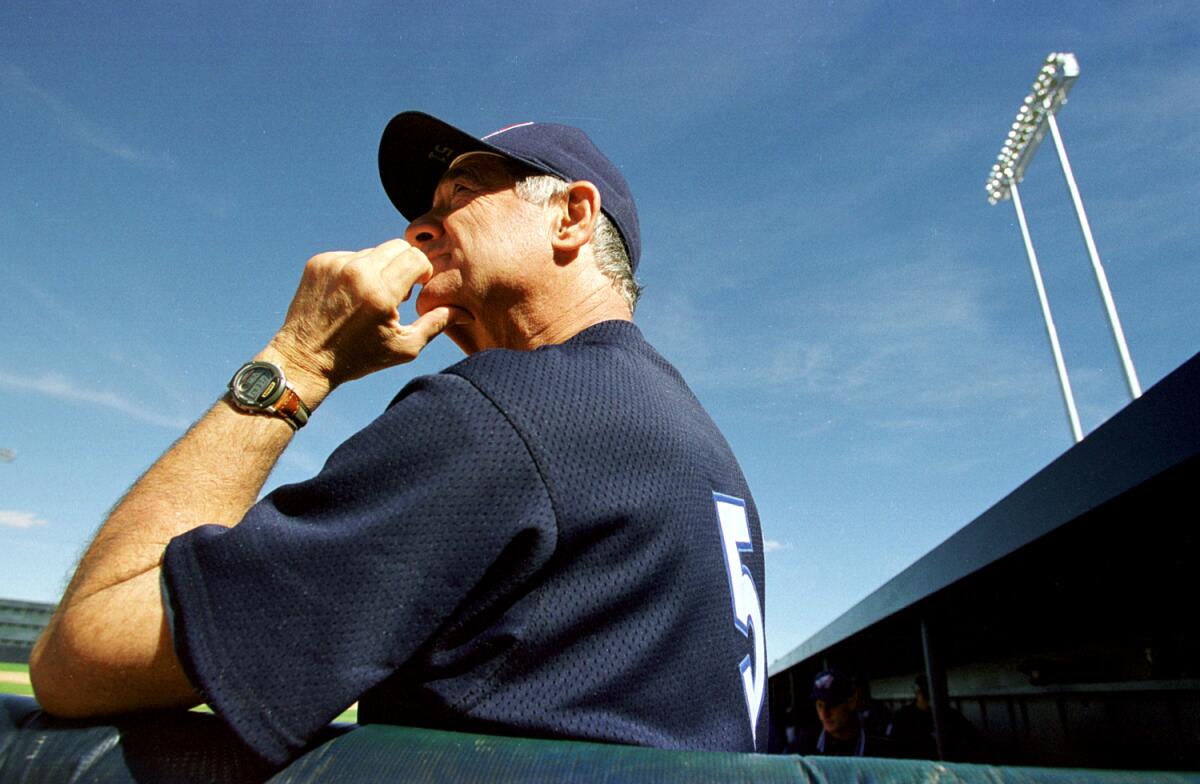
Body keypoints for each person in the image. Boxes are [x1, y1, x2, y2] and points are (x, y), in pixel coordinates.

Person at [28, 111, 768, 767]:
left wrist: (298, 359)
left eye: (461, 196)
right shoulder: (694, 437)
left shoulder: (511, 413)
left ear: (571, 217)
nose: (419, 228)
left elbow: (80, 655)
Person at [798, 669, 899, 757]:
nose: (824, 714)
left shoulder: (880, 749)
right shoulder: (803, 746)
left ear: (852, 702)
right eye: (820, 705)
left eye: (833, 704)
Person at [887, 674, 982, 761]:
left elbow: (973, 738)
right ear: (917, 692)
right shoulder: (902, 716)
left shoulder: (950, 715)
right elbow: (892, 746)